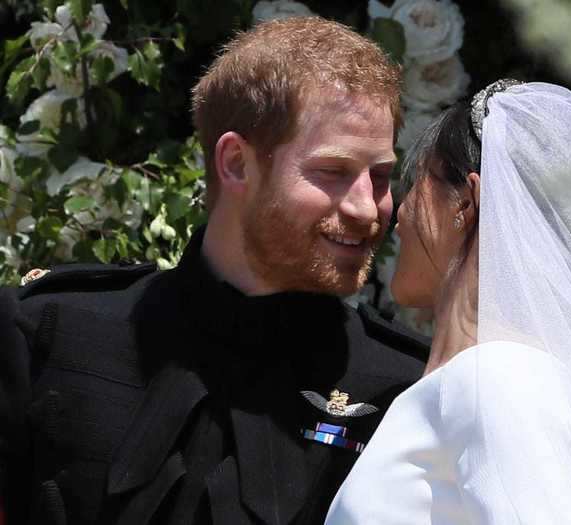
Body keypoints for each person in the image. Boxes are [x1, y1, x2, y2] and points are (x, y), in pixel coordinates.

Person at [0, 17, 429, 525]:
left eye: (380, 176)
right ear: (236, 163)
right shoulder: (51, 333)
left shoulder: (405, 389)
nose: (369, 208)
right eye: (333, 172)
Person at [325, 81, 571, 524]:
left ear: (467, 200)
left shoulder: (500, 381)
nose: (398, 214)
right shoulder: (502, 380)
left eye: (415, 183)